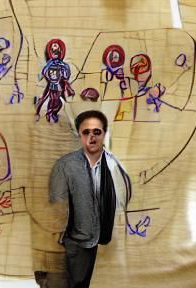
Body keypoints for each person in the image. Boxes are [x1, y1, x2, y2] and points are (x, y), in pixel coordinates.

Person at [49, 110, 131, 288]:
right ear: (79, 134)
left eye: (96, 132)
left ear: (104, 133)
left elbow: (124, 195)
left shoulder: (114, 164)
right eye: (86, 132)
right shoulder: (65, 165)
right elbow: (56, 205)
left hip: (106, 240)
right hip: (77, 243)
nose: (91, 137)